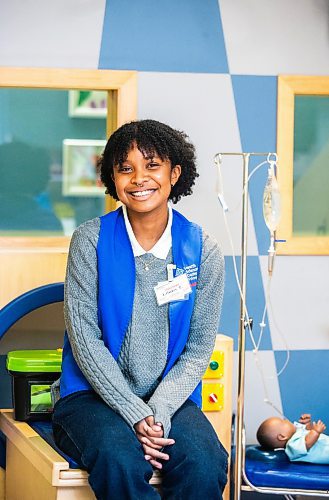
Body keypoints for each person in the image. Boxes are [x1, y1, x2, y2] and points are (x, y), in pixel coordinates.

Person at [52, 119, 228, 499]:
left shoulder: (204, 249)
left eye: (152, 165)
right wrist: (135, 413)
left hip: (170, 399)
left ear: (174, 173)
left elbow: (198, 351)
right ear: (112, 179)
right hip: (90, 397)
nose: (138, 179)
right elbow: (85, 341)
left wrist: (158, 411)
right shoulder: (90, 240)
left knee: (205, 463)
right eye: (125, 168)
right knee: (120, 460)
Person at [257, 413, 329, 464]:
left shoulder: (296, 435)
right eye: (283, 422)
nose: (286, 420)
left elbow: (307, 433)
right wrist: (316, 431)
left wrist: (306, 424)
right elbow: (307, 442)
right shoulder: (292, 446)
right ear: (282, 436)